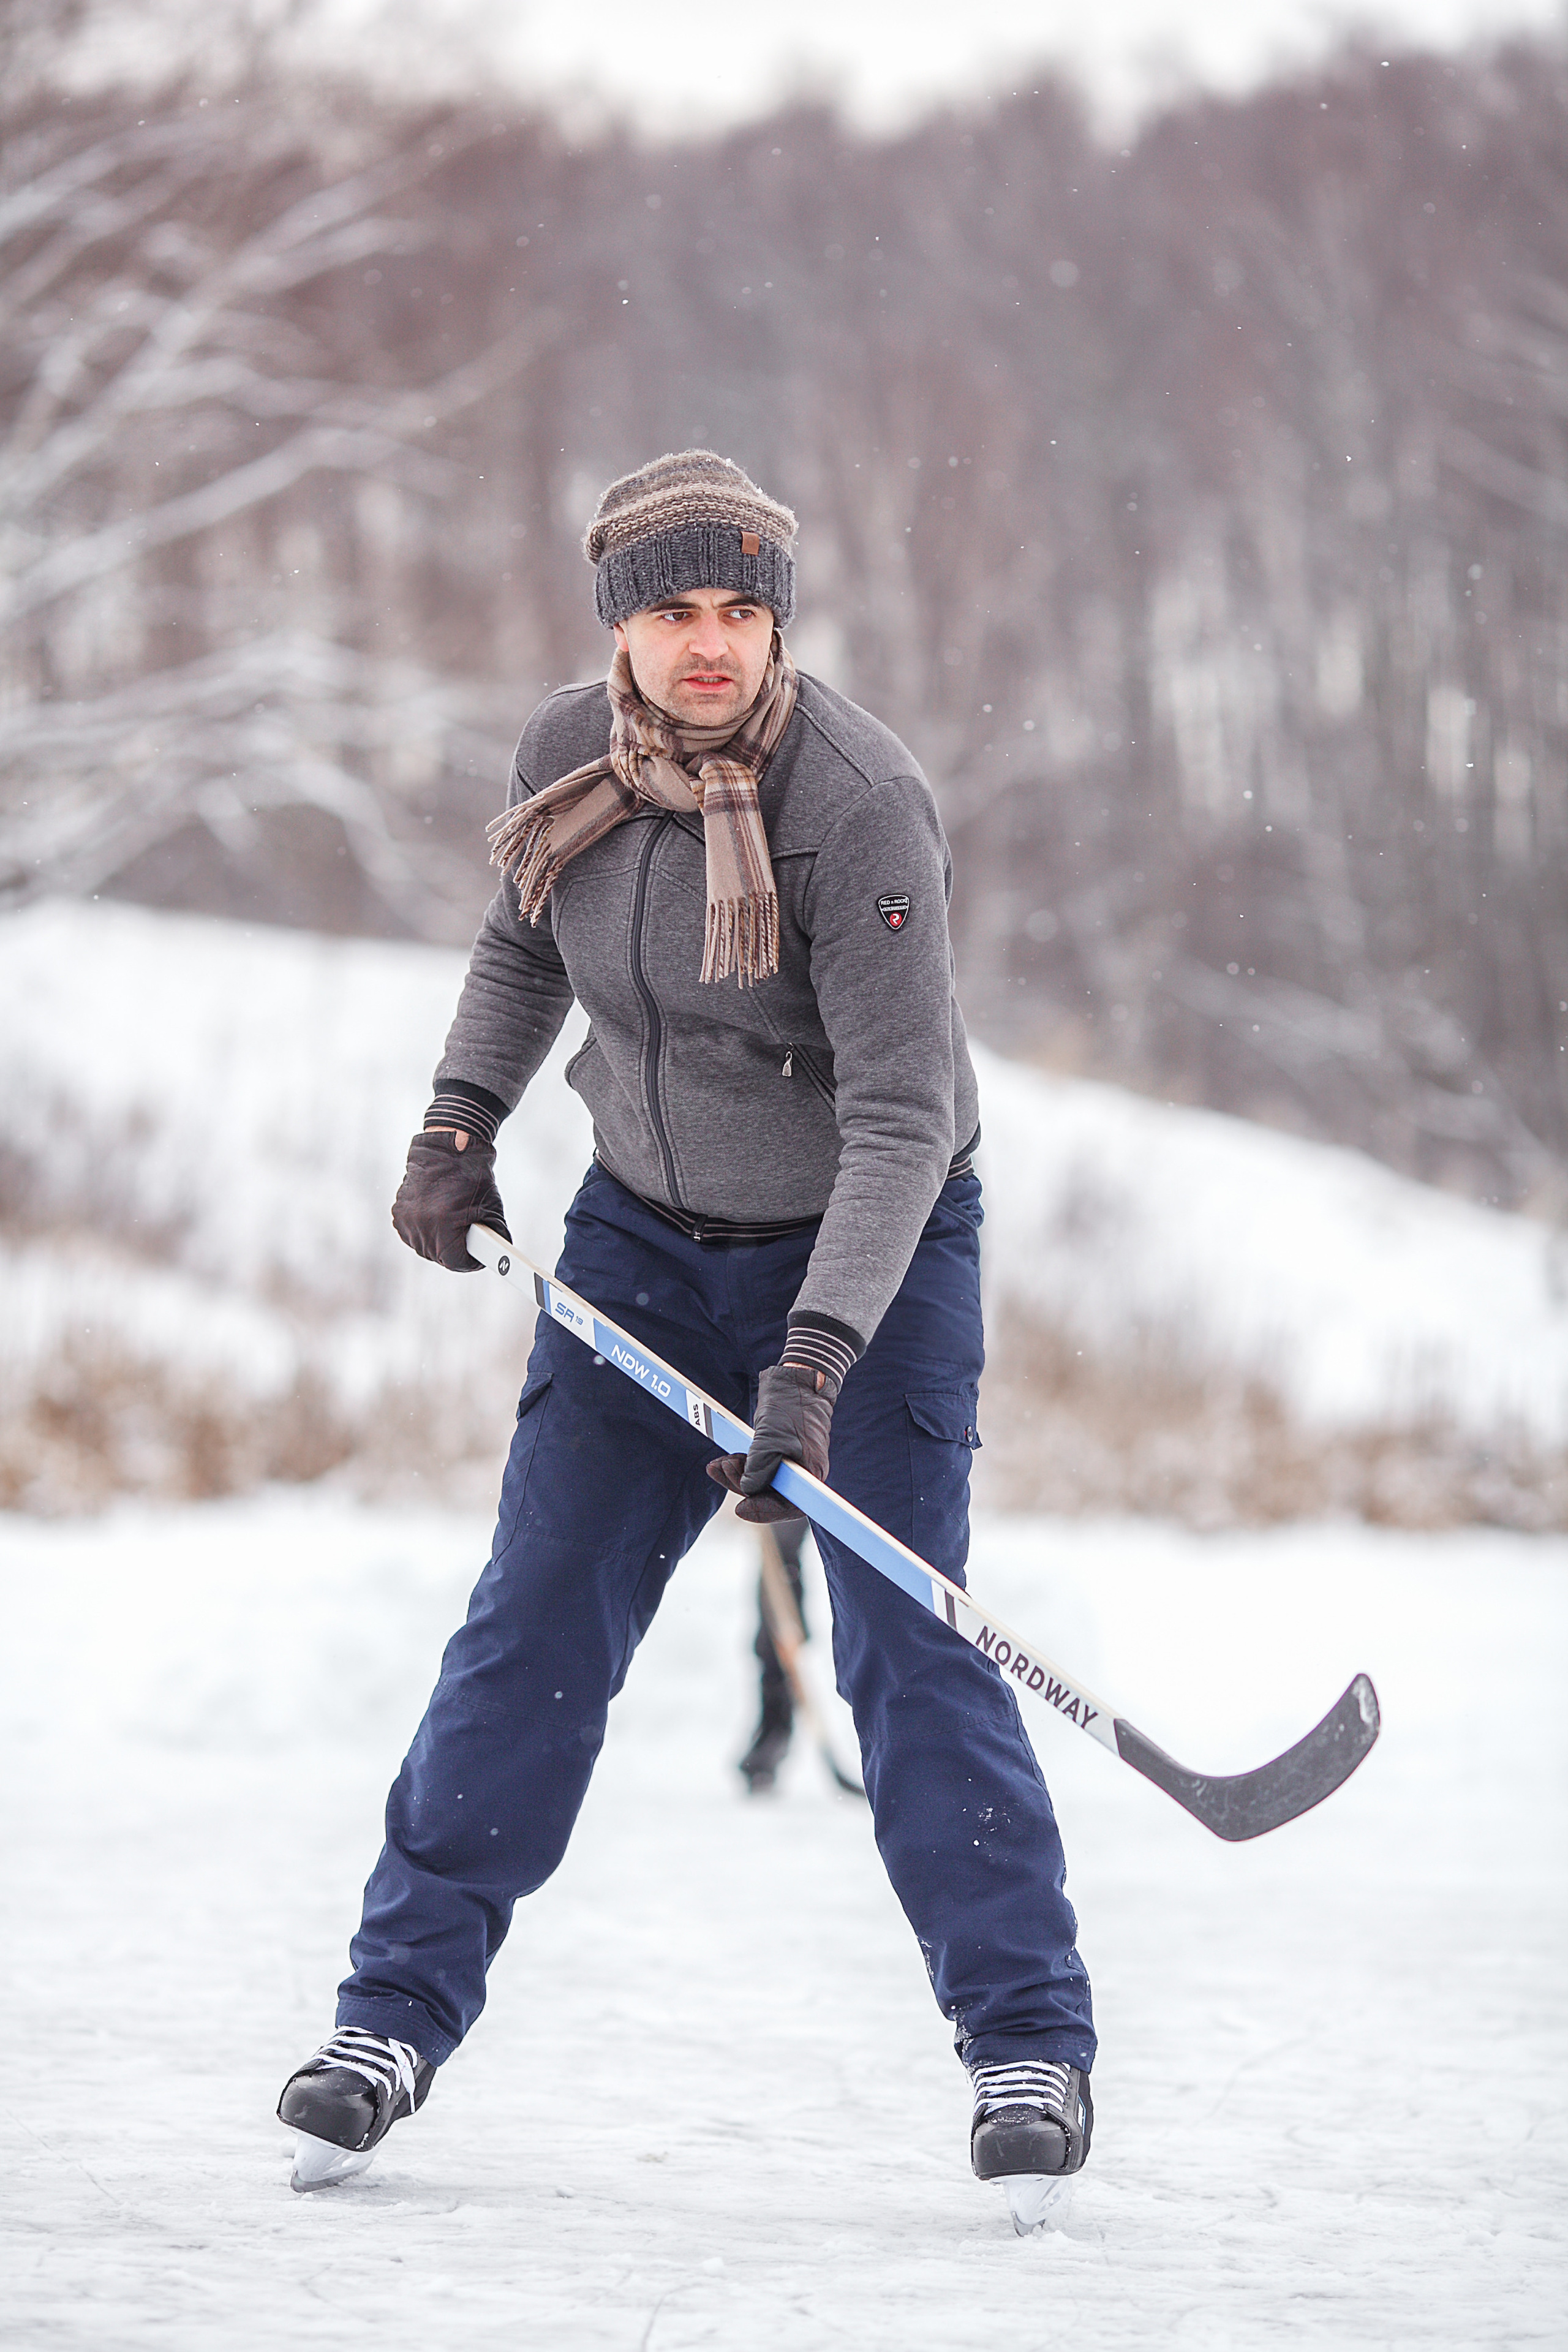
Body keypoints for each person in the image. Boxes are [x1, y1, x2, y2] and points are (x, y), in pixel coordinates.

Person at [276, 450, 1095, 2225]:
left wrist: (814, 1362)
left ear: (779, 620)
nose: (710, 643)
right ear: (618, 627)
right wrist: (458, 1122)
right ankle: (386, 2022)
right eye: (672, 610)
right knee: (533, 1628)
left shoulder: (857, 804)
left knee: (905, 1643)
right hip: (641, 1246)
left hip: (872, 1252)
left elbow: (901, 1117)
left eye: (741, 609)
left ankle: (1028, 2044)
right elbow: (523, 949)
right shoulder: (566, 754)